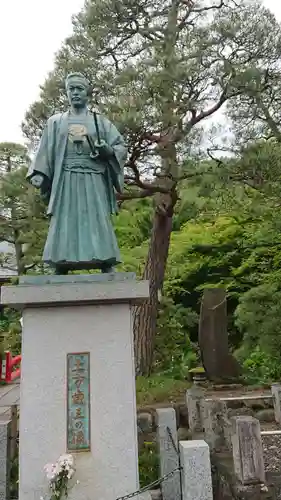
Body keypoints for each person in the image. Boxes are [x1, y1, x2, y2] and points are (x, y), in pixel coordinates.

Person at [27, 72, 127, 275]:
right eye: (71, 89)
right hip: (66, 179)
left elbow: (120, 146)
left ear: (87, 92)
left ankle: (105, 261)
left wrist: (108, 151)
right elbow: (45, 150)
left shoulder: (101, 122)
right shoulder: (56, 122)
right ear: (66, 92)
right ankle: (60, 262)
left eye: (79, 88)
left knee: (97, 218)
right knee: (65, 220)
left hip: (93, 178)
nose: (75, 93)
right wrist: (40, 173)